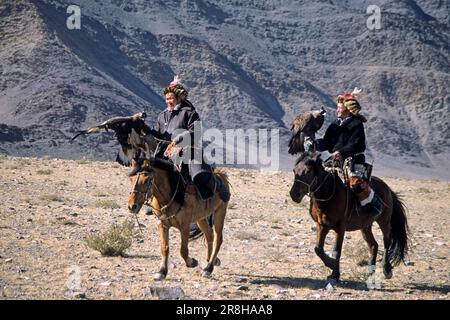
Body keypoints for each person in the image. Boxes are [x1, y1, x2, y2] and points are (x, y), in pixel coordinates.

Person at [151, 76, 230, 203]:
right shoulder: (162, 116)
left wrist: (177, 141)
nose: (168, 101)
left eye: (171, 98)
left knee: (198, 174)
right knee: (152, 173)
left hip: (189, 150)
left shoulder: (190, 113)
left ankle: (218, 187)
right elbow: (157, 136)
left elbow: (196, 132)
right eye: (166, 99)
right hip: (167, 153)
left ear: (179, 98)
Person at [314, 88, 382, 217]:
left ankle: (372, 208)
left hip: (354, 161)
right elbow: (327, 142)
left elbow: (357, 144)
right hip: (336, 160)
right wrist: (314, 144)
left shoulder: (357, 124)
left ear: (348, 110)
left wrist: (341, 152)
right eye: (338, 107)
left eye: (340, 108)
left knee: (356, 186)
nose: (337, 110)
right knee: (318, 177)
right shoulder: (334, 125)